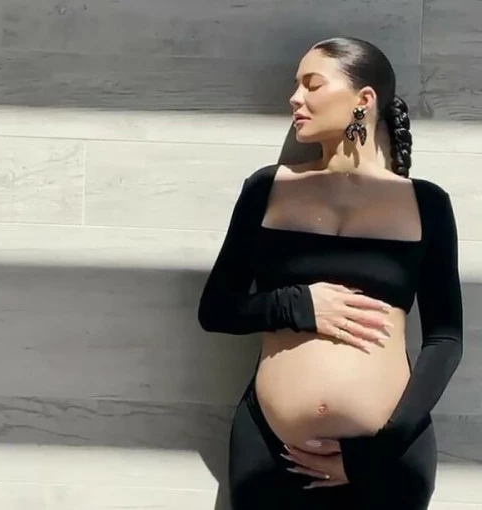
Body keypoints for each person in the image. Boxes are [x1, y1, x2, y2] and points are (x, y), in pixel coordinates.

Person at [198, 36, 463, 510]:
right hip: (272, 454)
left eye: (312, 84)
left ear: (364, 99)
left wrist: (381, 450)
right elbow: (216, 309)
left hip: (386, 462)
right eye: (296, 86)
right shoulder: (268, 187)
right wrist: (298, 304)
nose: (294, 98)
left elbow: (445, 339)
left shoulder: (426, 204)